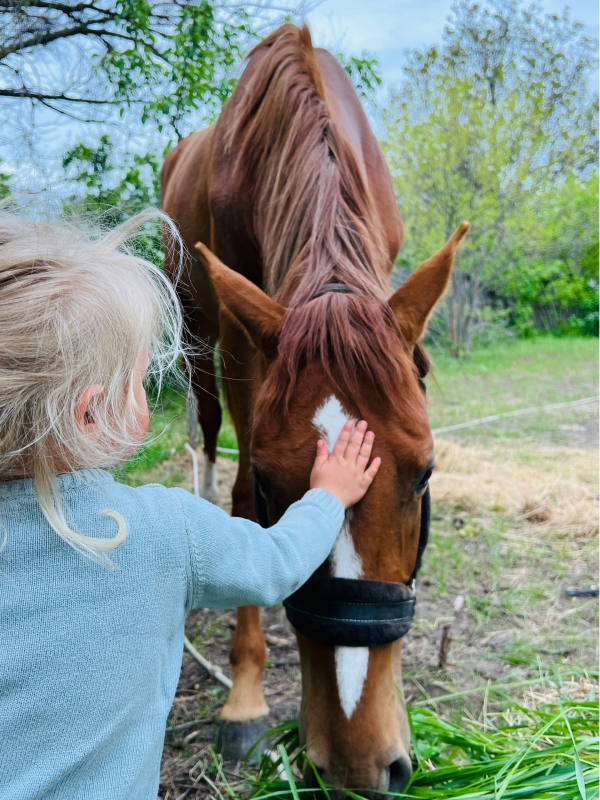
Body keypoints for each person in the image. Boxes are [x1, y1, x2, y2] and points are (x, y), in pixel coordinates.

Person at [0, 209, 381, 800]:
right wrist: (328, 496)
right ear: (91, 414)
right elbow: (275, 563)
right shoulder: (161, 530)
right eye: (141, 380)